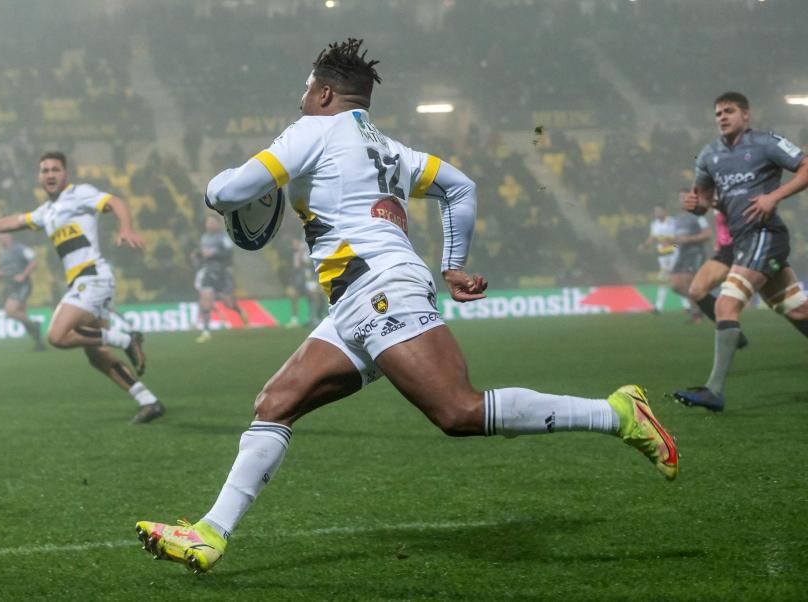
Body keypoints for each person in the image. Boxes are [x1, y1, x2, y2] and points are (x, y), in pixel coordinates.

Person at [135, 39, 678, 574]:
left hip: (378, 287)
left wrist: (211, 186)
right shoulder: (392, 149)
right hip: (360, 296)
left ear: (324, 92)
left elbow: (231, 193)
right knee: (276, 402)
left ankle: (617, 413)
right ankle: (209, 534)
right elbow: (459, 187)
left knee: (458, 412)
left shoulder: (313, 129)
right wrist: (453, 265)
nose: (300, 99)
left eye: (306, 90)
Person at [0, 151, 165, 424]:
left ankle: (126, 339)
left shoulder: (79, 194)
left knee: (57, 336)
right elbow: (15, 221)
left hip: (92, 278)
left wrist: (125, 228)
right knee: (96, 356)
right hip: (85, 282)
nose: (49, 174)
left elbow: (115, 201)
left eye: (55, 170)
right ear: (39, 177)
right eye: (44, 170)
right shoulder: (46, 212)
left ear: (65, 174)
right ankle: (149, 401)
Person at [674, 92, 808, 412]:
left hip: (764, 235)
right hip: (742, 242)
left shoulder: (765, 143)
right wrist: (695, 206)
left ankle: (714, 391)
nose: (722, 116)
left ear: (745, 115)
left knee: (725, 304)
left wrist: (774, 196)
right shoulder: (708, 155)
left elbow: (805, 166)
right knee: (797, 311)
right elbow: (704, 201)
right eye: (718, 112)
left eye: (729, 111)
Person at [685, 209, 749, 348]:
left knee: (791, 306)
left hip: (749, 246)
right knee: (695, 289)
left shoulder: (694, 219)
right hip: (724, 250)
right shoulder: (676, 221)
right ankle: (732, 331)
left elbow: (706, 232)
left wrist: (684, 241)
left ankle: (692, 311)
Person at [191, 213, 248, 343]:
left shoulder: (224, 236)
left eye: (212, 222)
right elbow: (204, 254)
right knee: (206, 299)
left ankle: (238, 310)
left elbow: (229, 252)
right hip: (208, 272)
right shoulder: (204, 238)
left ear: (217, 224)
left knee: (227, 302)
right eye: (208, 222)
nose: (209, 224)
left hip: (222, 272)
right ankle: (206, 331)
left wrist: (213, 253)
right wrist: (197, 255)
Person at [0, 232, 45, 350]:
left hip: (21, 285)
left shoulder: (21, 248)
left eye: (3, 237)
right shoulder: (1, 252)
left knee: (10, 311)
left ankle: (35, 325)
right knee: (21, 314)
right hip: (10, 285)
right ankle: (38, 343)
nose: (1, 240)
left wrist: (23, 275)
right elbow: (6, 269)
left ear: (9, 237)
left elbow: (34, 262)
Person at [669, 194, 712, 322]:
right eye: (680, 198)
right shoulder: (677, 219)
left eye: (685, 198)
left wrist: (689, 239)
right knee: (676, 285)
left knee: (689, 282)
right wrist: (673, 247)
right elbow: (677, 239)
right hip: (681, 254)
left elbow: (708, 234)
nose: (682, 200)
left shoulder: (698, 216)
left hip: (694, 252)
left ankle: (696, 315)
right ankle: (704, 301)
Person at [638, 205, 677, 312]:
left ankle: (659, 307)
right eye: (655, 211)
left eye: (659, 211)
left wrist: (671, 243)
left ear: (665, 211)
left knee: (667, 278)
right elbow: (653, 237)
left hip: (674, 250)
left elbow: (679, 239)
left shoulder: (673, 222)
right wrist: (645, 245)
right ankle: (686, 306)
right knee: (667, 279)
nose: (656, 213)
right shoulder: (654, 224)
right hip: (662, 253)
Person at [286, 237, 325, 328]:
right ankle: (294, 320)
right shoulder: (294, 254)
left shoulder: (309, 252)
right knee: (294, 295)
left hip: (310, 278)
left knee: (315, 296)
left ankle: (314, 318)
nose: (293, 246)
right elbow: (294, 269)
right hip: (300, 279)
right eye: (292, 245)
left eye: (294, 243)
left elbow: (312, 265)